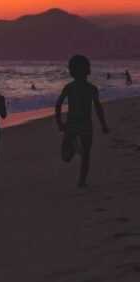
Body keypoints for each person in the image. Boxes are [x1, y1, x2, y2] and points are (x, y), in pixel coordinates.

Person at [56, 54, 110, 189]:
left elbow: (58, 104)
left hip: (72, 122)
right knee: (86, 155)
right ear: (88, 70)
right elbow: (98, 107)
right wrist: (103, 124)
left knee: (65, 156)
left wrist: (59, 122)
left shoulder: (69, 87)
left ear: (72, 71)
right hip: (86, 123)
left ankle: (74, 147)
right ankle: (81, 182)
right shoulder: (92, 88)